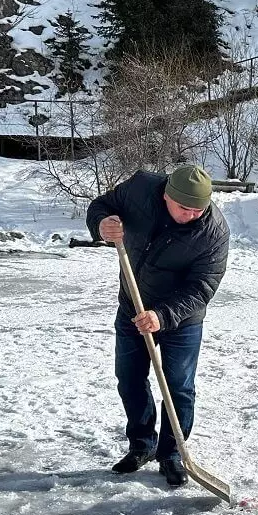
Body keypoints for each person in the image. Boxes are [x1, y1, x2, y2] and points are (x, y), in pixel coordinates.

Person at [86, 164, 230, 486]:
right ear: (166, 195)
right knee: (130, 377)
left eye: (199, 209)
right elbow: (101, 206)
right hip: (132, 307)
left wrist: (162, 316)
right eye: (184, 208)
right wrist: (101, 223)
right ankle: (142, 444)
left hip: (181, 319)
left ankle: (172, 453)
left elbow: (203, 287)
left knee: (178, 385)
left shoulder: (213, 233)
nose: (192, 214)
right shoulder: (139, 190)